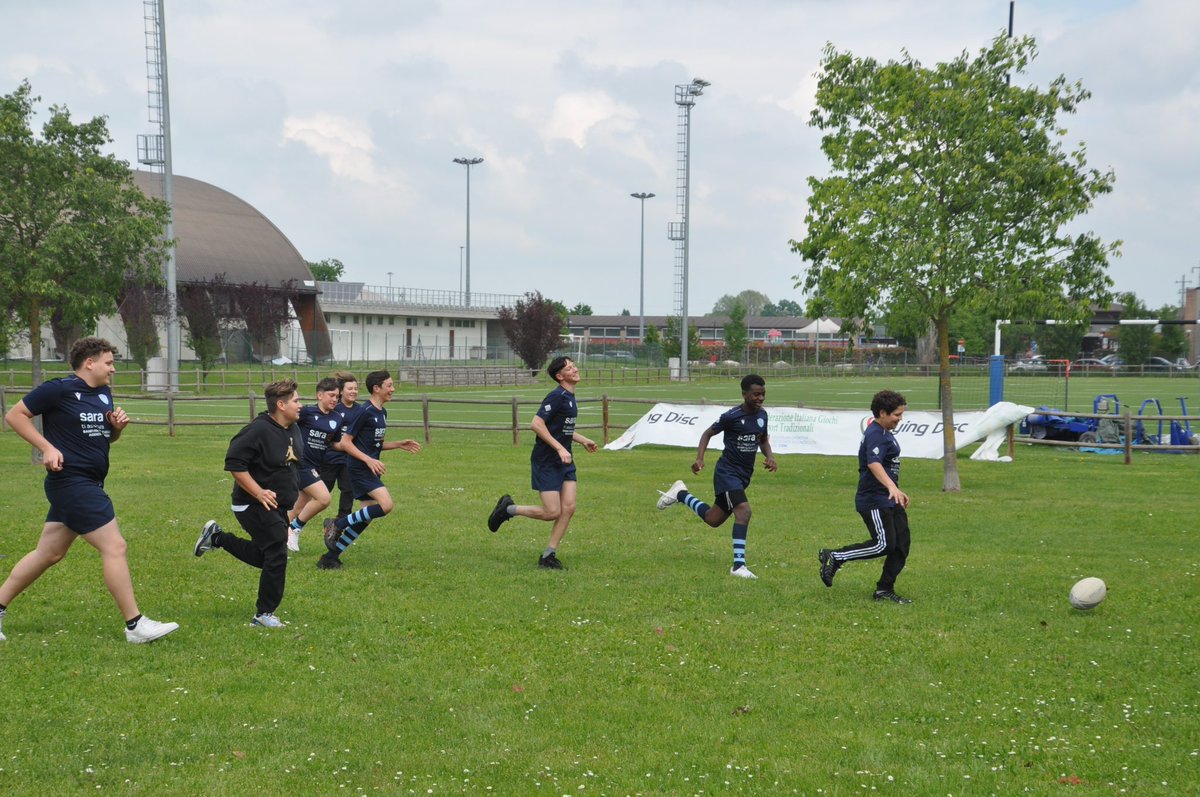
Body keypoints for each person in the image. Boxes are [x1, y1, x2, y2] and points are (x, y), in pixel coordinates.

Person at [0, 337, 178, 644]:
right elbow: (14, 416)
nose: (112, 370)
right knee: (115, 546)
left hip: (88, 482)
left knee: (49, 553)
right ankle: (135, 625)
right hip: (72, 482)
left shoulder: (104, 395)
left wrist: (117, 429)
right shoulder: (59, 389)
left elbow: (102, 438)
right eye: (109, 363)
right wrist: (46, 447)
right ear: (89, 363)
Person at [193, 379, 304, 627]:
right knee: (276, 554)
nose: (301, 405)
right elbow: (234, 464)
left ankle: (217, 538)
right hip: (252, 504)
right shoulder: (258, 430)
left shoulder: (293, 429)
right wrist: (259, 492)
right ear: (281, 404)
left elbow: (292, 465)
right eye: (296, 401)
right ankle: (263, 615)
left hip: (278, 507)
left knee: (268, 557)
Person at [655, 373, 777, 579]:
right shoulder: (732, 416)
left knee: (713, 519)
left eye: (763, 394)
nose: (760, 398)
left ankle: (681, 494)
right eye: (756, 394)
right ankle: (739, 566)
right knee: (744, 511)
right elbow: (707, 434)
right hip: (727, 473)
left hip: (744, 476)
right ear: (745, 394)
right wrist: (700, 459)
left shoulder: (762, 416)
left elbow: (762, 439)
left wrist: (770, 456)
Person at [487, 356, 597, 569]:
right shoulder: (556, 396)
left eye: (573, 365)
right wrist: (559, 448)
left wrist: (583, 440)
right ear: (559, 376)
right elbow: (536, 424)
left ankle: (548, 556)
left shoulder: (570, 397)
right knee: (552, 512)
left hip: (564, 461)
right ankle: (508, 509)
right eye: (569, 367)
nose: (574, 368)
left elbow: (562, 428)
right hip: (546, 461)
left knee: (569, 508)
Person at [316, 370, 421, 570]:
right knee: (386, 505)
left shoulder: (382, 412)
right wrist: (368, 460)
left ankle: (330, 558)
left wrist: (398, 444)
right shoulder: (363, 412)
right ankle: (336, 524)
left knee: (366, 515)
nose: (393, 389)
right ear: (376, 388)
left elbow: (374, 444)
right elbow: (346, 443)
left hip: (369, 468)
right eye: (389, 385)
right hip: (359, 469)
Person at [818, 389, 913, 603]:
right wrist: (891, 486)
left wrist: (896, 490)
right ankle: (836, 556)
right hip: (874, 499)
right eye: (896, 415)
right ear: (882, 412)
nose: (900, 419)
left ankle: (884, 590)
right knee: (884, 544)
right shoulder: (876, 434)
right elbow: (873, 463)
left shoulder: (884, 432)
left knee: (901, 544)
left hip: (888, 497)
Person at [285, 377, 342, 553]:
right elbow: (285, 424)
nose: (334, 399)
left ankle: (274, 536)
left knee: (298, 507)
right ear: (319, 395)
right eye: (331, 395)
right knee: (324, 499)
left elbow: (335, 443)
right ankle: (295, 529)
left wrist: (358, 451)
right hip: (301, 463)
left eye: (337, 396)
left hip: (316, 465)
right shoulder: (307, 412)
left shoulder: (337, 418)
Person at [321, 371, 360, 521]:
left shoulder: (360, 410)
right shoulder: (333, 409)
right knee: (322, 492)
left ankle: (340, 523)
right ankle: (296, 518)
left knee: (348, 490)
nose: (354, 391)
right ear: (341, 391)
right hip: (330, 458)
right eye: (350, 388)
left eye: (356, 388)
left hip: (349, 459)